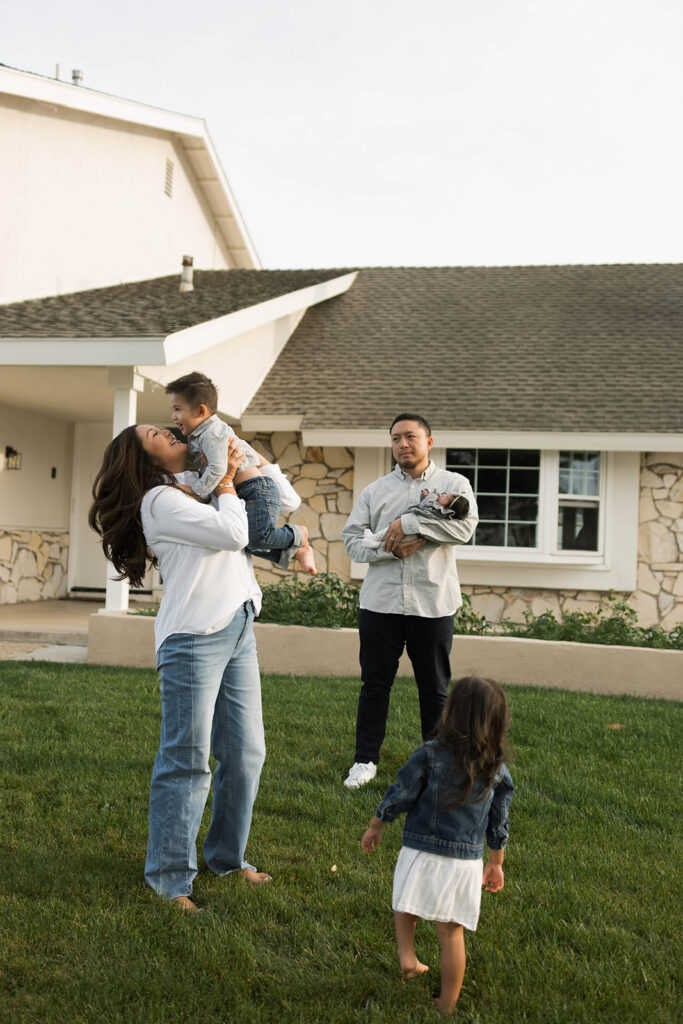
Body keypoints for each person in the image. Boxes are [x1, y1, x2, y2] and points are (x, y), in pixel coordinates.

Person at [89, 425, 283, 913]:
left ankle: (226, 858)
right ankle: (169, 878)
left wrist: (235, 471)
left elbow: (261, 517)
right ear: (144, 459)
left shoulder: (195, 485)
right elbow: (235, 533)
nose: (172, 430)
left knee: (246, 752)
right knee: (186, 760)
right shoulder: (158, 500)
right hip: (194, 636)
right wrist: (225, 485)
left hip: (237, 623)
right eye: (156, 433)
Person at [361, 676, 514, 1017]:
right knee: (451, 933)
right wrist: (496, 862)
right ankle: (446, 1005)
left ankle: (407, 956)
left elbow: (401, 792)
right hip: (463, 864)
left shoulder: (429, 754)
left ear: (452, 714)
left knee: (405, 903)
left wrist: (377, 824)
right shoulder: (496, 769)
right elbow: (499, 822)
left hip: (419, 850)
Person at [341, 414, 478, 788]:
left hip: (432, 603)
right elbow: (353, 541)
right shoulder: (375, 491)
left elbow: (464, 528)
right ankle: (364, 761)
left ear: (428, 442)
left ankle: (437, 763)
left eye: (411, 437)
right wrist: (393, 551)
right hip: (379, 604)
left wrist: (412, 525)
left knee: (434, 688)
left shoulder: (454, 484)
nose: (403, 444)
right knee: (374, 686)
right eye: (396, 438)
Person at [166, 371, 316, 575]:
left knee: (257, 538)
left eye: (177, 409)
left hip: (256, 489)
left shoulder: (211, 433)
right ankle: (296, 551)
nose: (173, 417)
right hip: (248, 490)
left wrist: (196, 492)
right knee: (246, 541)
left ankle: (298, 534)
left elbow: (219, 469)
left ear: (200, 411)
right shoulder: (201, 433)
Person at [362, 488, 470, 549]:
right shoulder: (438, 507)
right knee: (393, 536)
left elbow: (425, 506)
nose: (443, 495)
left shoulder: (438, 511)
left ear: (447, 509)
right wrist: (426, 496)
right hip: (414, 529)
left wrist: (430, 496)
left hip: (413, 531)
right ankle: (376, 542)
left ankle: (374, 540)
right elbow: (424, 503)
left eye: (446, 497)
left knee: (390, 532)